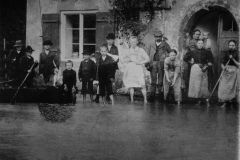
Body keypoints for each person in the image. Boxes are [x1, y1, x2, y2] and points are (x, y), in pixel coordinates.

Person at [184, 39, 213, 104]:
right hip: (195, 68)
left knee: (203, 84)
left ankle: (203, 98)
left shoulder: (207, 51)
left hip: (204, 68)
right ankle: (196, 98)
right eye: (199, 43)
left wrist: (207, 66)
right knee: (196, 84)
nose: (200, 44)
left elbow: (211, 60)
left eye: (201, 43)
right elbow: (185, 58)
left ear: (203, 44)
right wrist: (191, 63)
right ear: (197, 44)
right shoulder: (193, 51)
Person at [122, 36, 150, 104]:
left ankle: (145, 100)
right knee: (131, 85)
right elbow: (123, 60)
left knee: (142, 84)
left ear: (137, 42)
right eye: (132, 42)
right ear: (130, 42)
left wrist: (140, 62)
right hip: (131, 69)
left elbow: (148, 59)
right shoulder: (128, 50)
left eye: (134, 42)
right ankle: (132, 99)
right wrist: (129, 60)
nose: (133, 43)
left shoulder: (141, 50)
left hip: (139, 68)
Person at [146, 30, 171, 102]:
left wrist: (166, 59)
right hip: (153, 63)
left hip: (161, 63)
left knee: (160, 81)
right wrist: (147, 64)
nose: (158, 38)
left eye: (159, 36)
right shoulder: (151, 44)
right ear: (154, 37)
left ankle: (160, 96)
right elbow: (147, 54)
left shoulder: (165, 44)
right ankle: (152, 96)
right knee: (153, 80)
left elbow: (170, 52)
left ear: (162, 37)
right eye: (156, 36)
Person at [218, 40, 239, 107]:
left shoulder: (238, 53)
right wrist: (224, 68)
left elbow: (238, 64)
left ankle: (231, 101)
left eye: (233, 45)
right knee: (224, 86)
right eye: (230, 45)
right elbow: (222, 63)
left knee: (232, 87)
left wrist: (233, 59)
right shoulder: (225, 53)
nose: (231, 47)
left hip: (234, 71)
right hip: (226, 71)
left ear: (235, 46)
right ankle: (224, 102)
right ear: (228, 45)